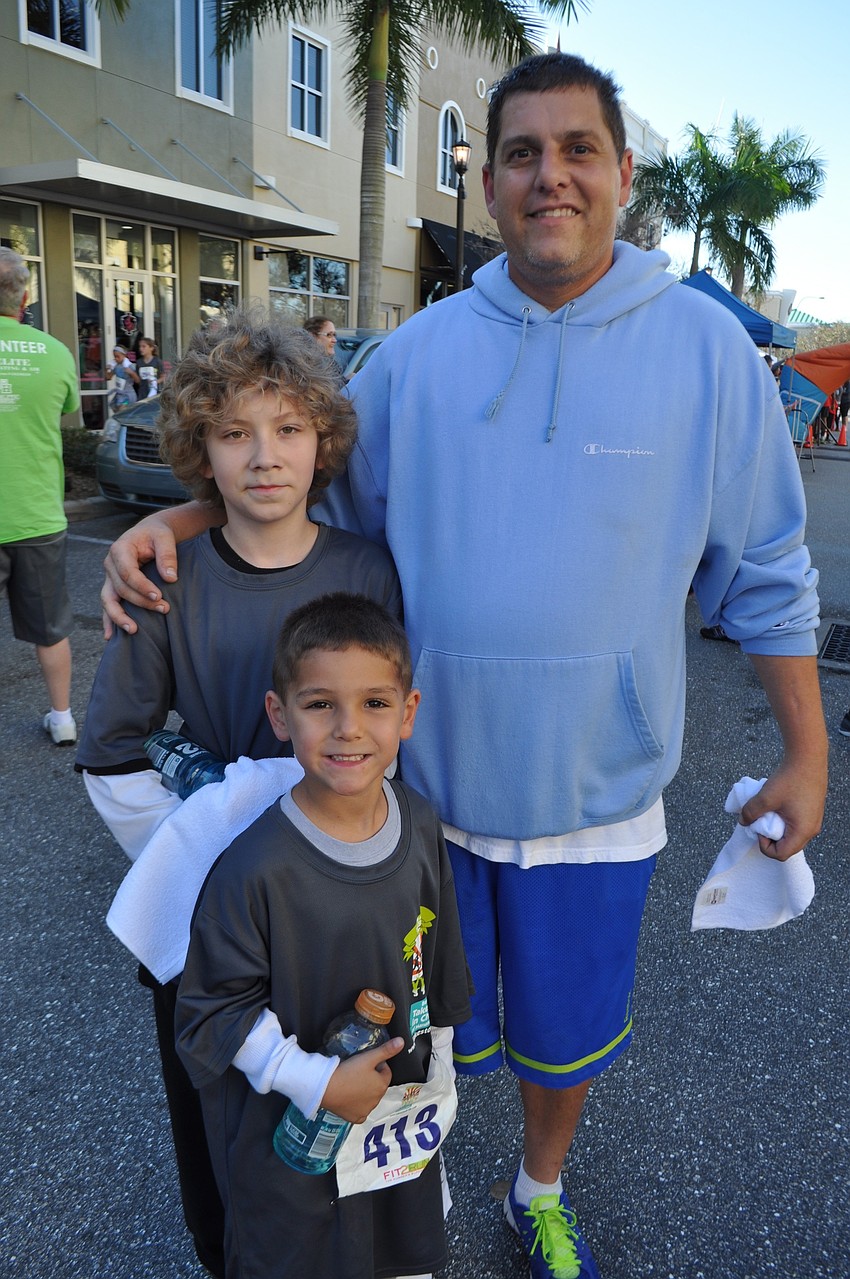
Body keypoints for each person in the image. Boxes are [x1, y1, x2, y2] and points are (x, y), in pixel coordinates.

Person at [100, 53, 828, 1279]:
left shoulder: (705, 354)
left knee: (565, 1037)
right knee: (405, 1034)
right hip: (411, 806)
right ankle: (406, 1197)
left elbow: (765, 568)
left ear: (621, 173)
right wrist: (176, 521)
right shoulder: (419, 359)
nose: (551, 175)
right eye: (522, 153)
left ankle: (537, 1183)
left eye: (576, 149)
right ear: (488, 181)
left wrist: (806, 752)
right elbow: (300, 500)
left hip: (598, 800)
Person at [77, 311, 401, 1277]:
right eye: (234, 432)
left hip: (342, 909)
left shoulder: (366, 569)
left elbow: (383, 722)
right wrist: (213, 863)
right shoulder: (166, 581)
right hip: (210, 923)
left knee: (341, 1118)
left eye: (289, 429)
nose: (265, 456)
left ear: (323, 442)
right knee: (220, 1132)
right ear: (200, 451)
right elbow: (110, 756)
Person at [175, 592, 472, 1279]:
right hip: (293, 1128)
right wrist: (315, 1079)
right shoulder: (255, 868)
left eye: (374, 703)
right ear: (280, 714)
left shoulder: (419, 821)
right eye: (319, 704)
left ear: (409, 711)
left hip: (393, 1116)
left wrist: (440, 1073)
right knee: (303, 1251)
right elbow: (213, 1013)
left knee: (397, 1242)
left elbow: (438, 953)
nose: (348, 728)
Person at [0, 246, 80, 746]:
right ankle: (63, 717)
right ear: (25, 296)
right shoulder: (55, 352)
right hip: (37, 516)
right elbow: (68, 408)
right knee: (51, 628)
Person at [105, 343, 139, 407]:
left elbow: (137, 380)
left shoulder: (129, 366)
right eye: (115, 356)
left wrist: (131, 373)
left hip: (128, 394)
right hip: (119, 393)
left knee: (122, 410)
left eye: (118, 356)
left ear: (124, 355)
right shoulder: (116, 366)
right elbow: (108, 377)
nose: (116, 359)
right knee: (115, 409)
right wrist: (106, 370)